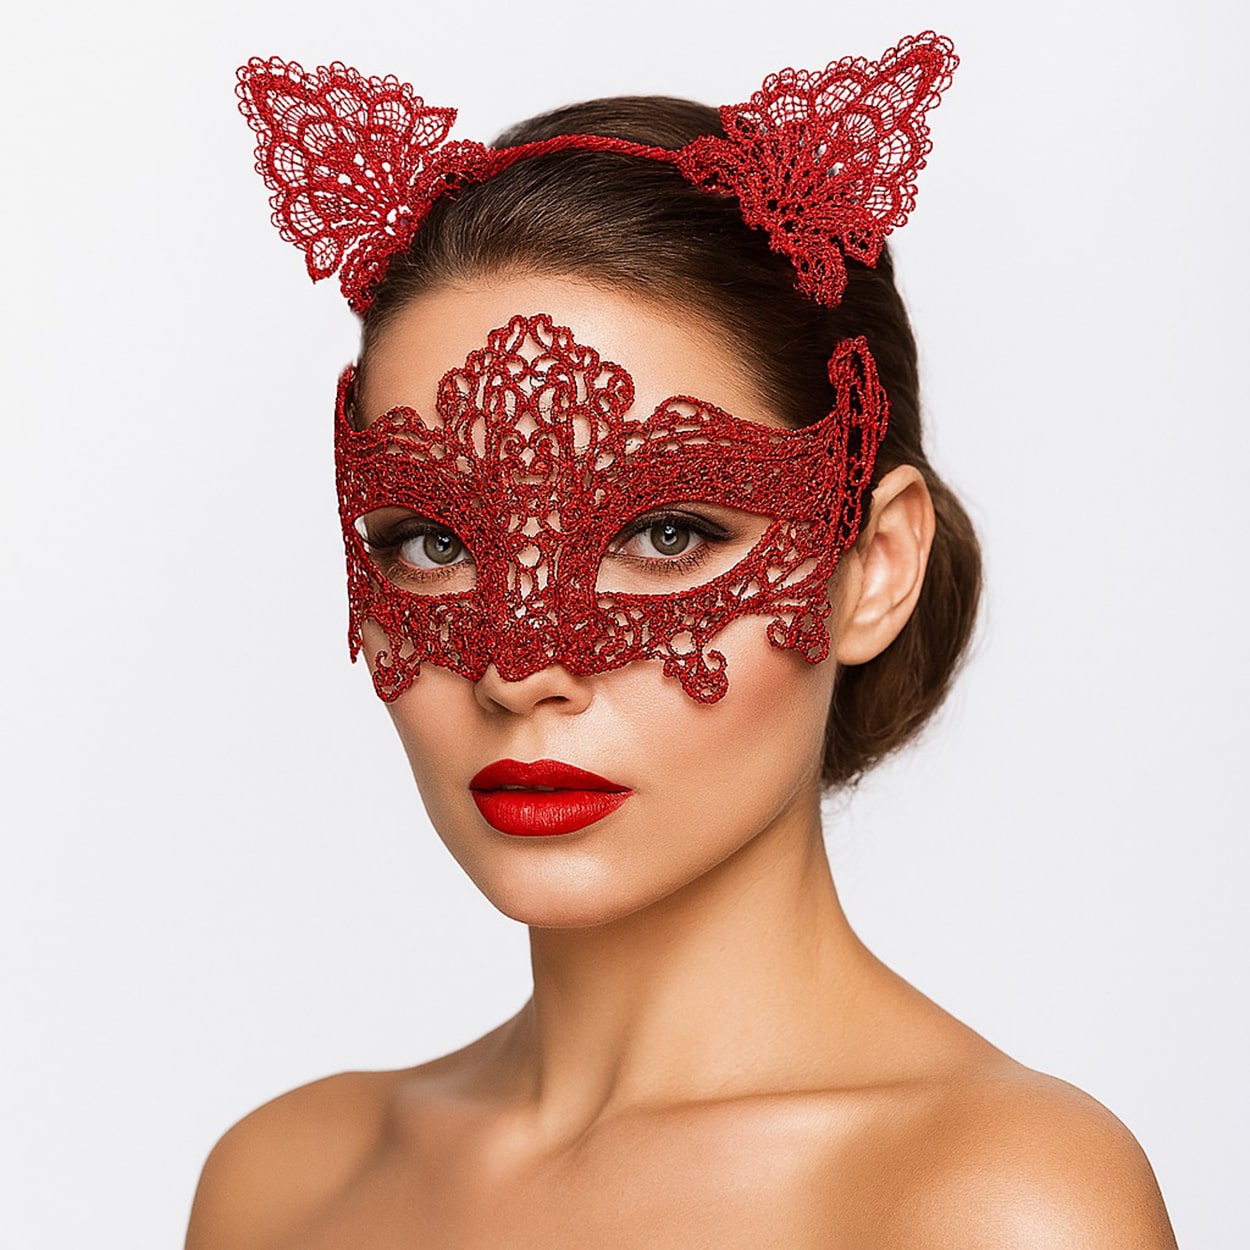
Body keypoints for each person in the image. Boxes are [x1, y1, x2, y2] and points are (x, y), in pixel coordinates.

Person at [186, 34, 1178, 1247]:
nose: (520, 668)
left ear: (872, 566)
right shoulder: (283, 1187)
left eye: (663, 531)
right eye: (434, 540)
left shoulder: (997, 1202)